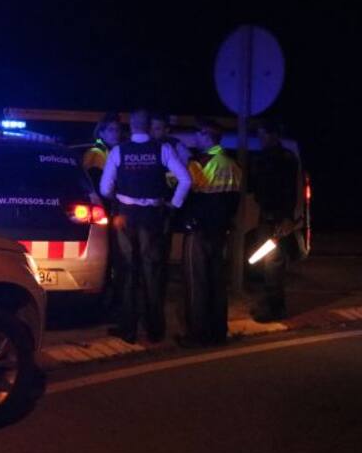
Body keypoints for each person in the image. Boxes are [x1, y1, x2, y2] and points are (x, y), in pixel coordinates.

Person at [101, 108, 191, 343]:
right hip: (152, 217)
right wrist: (173, 204)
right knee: (153, 272)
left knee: (127, 272)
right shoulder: (163, 149)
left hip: (126, 216)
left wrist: (117, 197)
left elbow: (104, 188)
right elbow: (185, 179)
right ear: (149, 126)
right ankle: (155, 330)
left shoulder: (119, 151)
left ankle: (128, 329)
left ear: (131, 126)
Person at [178, 119, 241, 346]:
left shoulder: (200, 163)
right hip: (220, 231)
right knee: (217, 282)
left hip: (198, 231)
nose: (195, 137)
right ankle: (218, 331)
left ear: (206, 135)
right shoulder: (232, 164)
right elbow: (233, 202)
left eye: (197, 133)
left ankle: (197, 334)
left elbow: (179, 185)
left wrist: (181, 162)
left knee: (196, 283)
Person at [250, 120, 299, 321]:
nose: (261, 139)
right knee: (267, 263)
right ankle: (270, 305)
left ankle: (276, 309)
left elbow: (289, 191)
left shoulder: (285, 159)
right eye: (259, 135)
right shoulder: (263, 157)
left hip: (278, 218)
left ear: (275, 135)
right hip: (266, 215)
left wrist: (287, 218)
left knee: (273, 264)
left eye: (264, 135)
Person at [83, 113, 123, 317]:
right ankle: (104, 305)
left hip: (113, 210)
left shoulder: (111, 151)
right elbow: (95, 188)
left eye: (118, 129)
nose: (117, 133)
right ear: (101, 132)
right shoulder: (96, 154)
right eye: (112, 130)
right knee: (106, 258)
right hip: (103, 212)